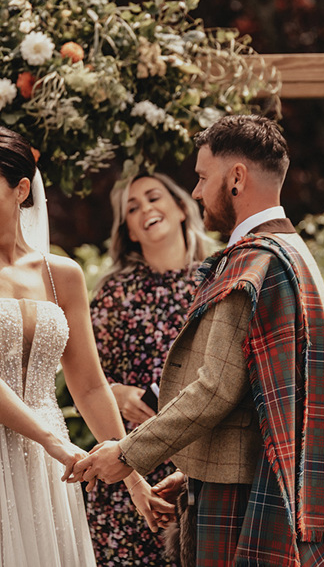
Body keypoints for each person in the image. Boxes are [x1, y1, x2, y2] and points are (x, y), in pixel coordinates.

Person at [70, 115, 324, 566]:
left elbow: (217, 388)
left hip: (241, 497)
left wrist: (129, 454)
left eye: (201, 177)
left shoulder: (253, 261)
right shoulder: (295, 251)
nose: (194, 192)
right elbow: (258, 396)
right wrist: (193, 472)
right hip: (260, 480)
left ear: (236, 179)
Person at [0, 125, 168, 566]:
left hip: (43, 467)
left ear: (21, 190)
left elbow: (91, 386)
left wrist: (132, 477)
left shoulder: (64, 274)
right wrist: (53, 442)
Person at [84, 171, 214, 566]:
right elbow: (82, 377)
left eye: (154, 198)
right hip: (126, 466)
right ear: (130, 232)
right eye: (132, 209)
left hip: (198, 458)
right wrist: (118, 393)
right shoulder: (114, 292)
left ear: (180, 209)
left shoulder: (217, 280)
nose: (146, 210)